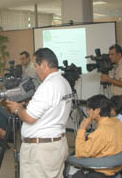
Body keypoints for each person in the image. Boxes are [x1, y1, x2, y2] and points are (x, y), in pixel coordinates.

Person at [6, 48, 73, 178]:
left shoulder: (47, 86)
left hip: (41, 151)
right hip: (57, 145)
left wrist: (17, 108)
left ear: (44, 65)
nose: (36, 71)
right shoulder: (64, 82)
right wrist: (25, 106)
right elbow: (50, 107)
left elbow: (30, 118)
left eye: (36, 66)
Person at [73, 94, 122, 177]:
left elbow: (80, 152)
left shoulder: (102, 131)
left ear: (97, 111)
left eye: (89, 109)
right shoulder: (118, 122)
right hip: (116, 167)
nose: (87, 112)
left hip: (102, 171)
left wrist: (82, 128)